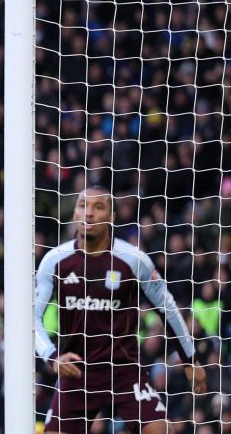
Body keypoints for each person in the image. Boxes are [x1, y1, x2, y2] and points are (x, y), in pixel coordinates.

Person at [35, 185, 207, 434]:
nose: (89, 213)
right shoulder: (55, 261)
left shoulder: (133, 259)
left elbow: (167, 308)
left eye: (98, 207)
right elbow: (32, 318)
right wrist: (52, 357)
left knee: (160, 430)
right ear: (74, 213)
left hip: (124, 373)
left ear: (112, 216)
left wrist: (190, 361)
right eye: (83, 205)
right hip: (77, 375)